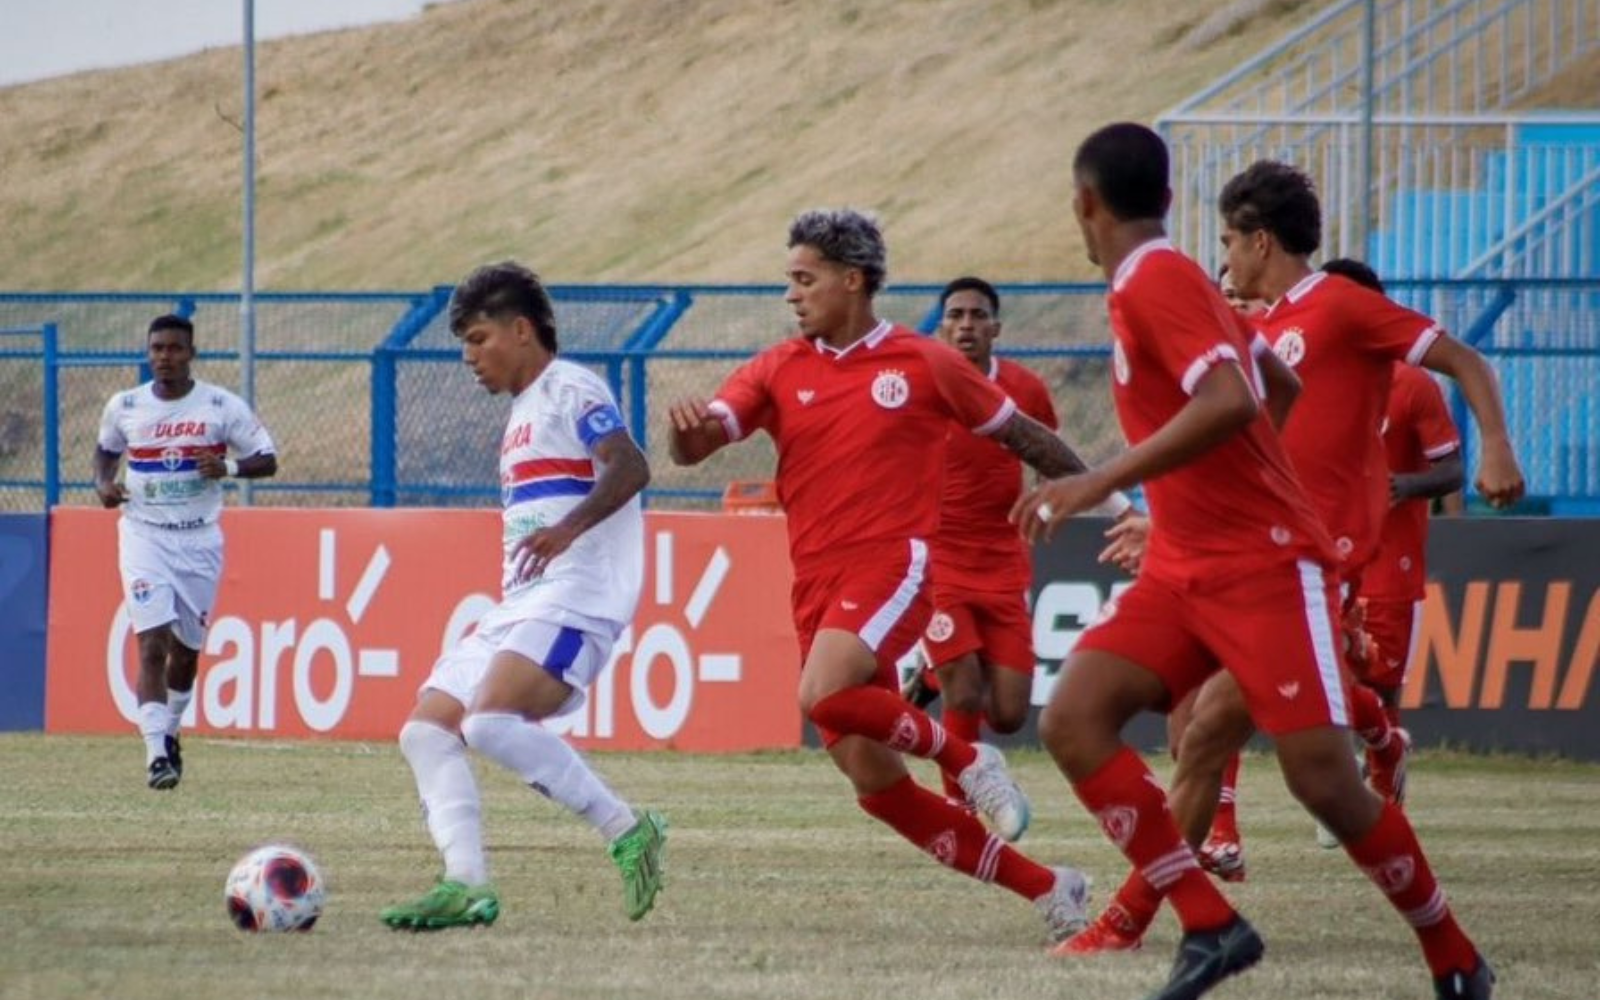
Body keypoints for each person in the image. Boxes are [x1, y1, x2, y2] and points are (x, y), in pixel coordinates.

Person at [1015, 123, 1496, 1000]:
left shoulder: (1156, 278)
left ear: (1086, 204)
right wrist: (1201, 502)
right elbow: (1278, 386)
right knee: (1073, 718)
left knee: (1325, 783)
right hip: (1187, 566)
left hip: (1267, 571)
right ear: (1165, 201)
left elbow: (1237, 396)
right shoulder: (1178, 282)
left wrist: (1098, 483)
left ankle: (1454, 954)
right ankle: (1210, 923)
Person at [667, 209, 1095, 942]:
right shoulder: (778, 366)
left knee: (822, 693)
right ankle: (1053, 889)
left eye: (805, 280)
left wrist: (1107, 494)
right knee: (874, 780)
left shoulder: (922, 362)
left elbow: (1023, 435)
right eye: (789, 281)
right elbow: (699, 444)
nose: (792, 295)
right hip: (816, 583)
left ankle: (969, 758)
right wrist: (683, 433)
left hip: (895, 563)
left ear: (852, 279)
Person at [380, 262, 666, 931]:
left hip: (578, 597)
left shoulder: (570, 388)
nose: (468, 356)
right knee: (426, 731)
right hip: (526, 603)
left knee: (487, 722)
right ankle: (466, 883)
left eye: (478, 339)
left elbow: (633, 464)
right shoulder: (520, 416)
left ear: (521, 330)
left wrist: (567, 531)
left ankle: (630, 829)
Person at [911, 276, 1133, 808]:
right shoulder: (927, 386)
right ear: (943, 326)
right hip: (940, 560)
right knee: (966, 688)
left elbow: (1044, 455)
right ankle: (960, 802)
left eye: (976, 315)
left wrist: (1051, 501)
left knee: (1008, 713)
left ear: (996, 327)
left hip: (1003, 561)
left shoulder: (1024, 389)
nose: (966, 325)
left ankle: (929, 681)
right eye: (956, 315)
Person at [94, 314, 278, 791]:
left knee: (187, 654)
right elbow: (105, 450)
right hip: (143, 535)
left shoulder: (221, 405)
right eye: (157, 348)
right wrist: (103, 484)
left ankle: (171, 731)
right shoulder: (126, 405)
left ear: (191, 353)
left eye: (175, 349)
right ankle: (156, 754)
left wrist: (229, 466)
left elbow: (268, 458)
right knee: (151, 642)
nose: (165, 357)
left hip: (198, 541)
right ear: (148, 352)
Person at [1322, 258, 1465, 742]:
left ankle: (1385, 783)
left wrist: (1402, 486)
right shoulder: (1313, 382)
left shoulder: (1413, 383)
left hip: (1389, 569)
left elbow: (1452, 470)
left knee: (1380, 691)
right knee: (1322, 691)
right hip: (1327, 561)